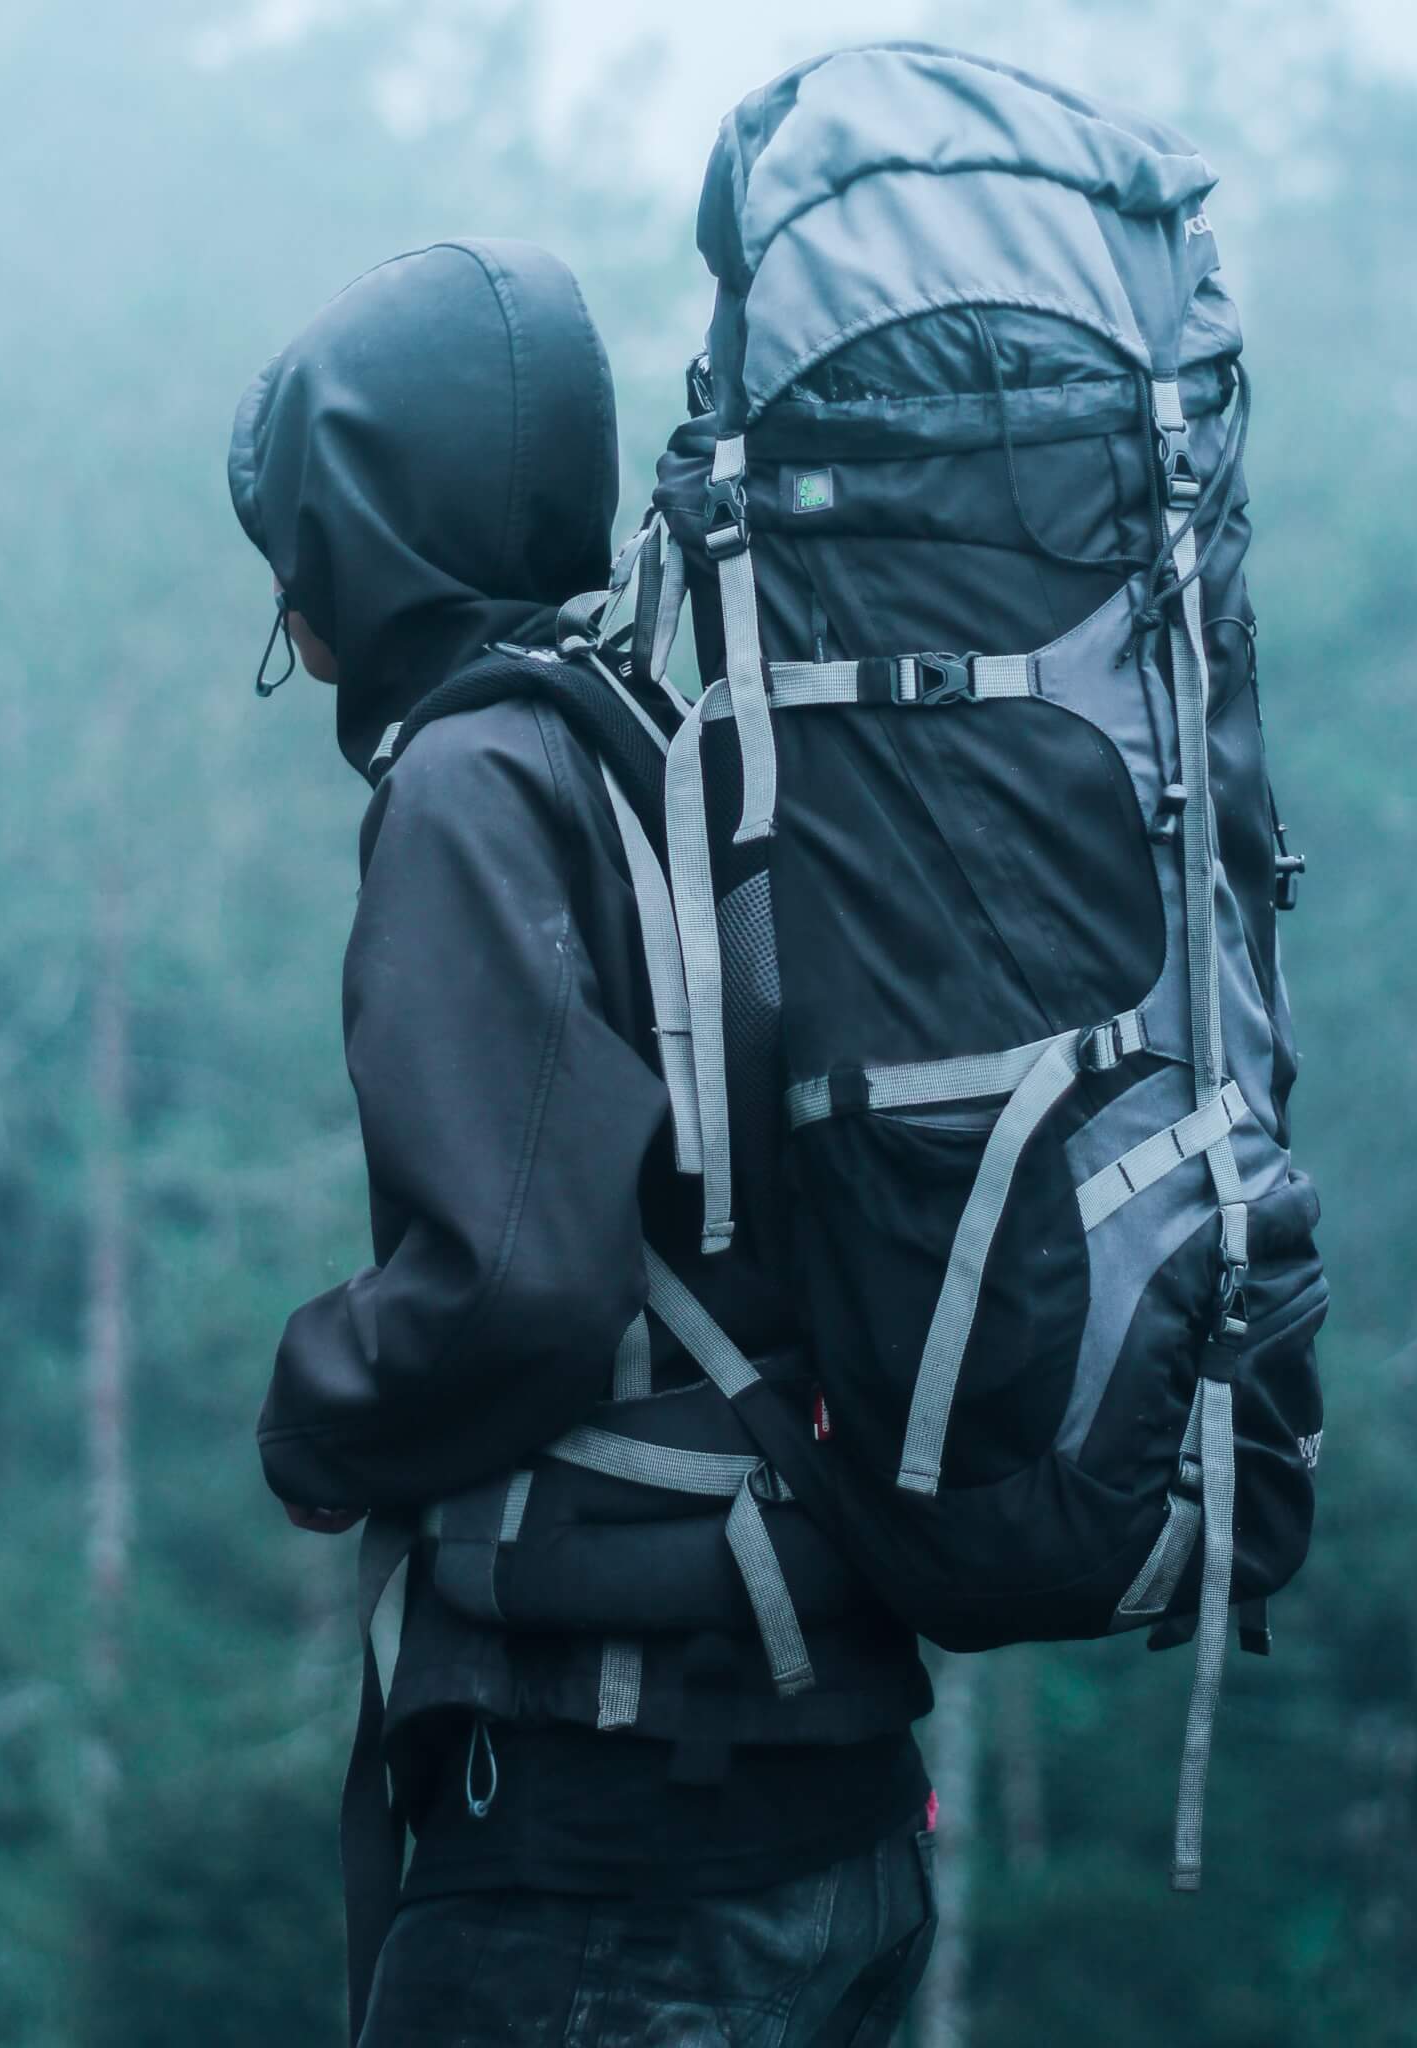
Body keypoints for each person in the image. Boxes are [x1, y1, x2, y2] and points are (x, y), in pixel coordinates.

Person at [228, 237, 935, 2047]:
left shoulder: (474, 783)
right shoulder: (679, 749)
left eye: (298, 558)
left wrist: (316, 1416)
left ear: (374, 531)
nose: (295, 623)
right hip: (828, 1817)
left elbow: (515, 1286)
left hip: (605, 1853)